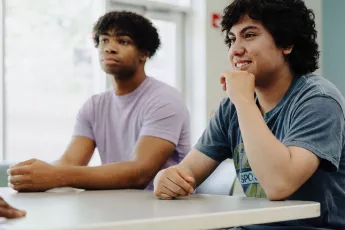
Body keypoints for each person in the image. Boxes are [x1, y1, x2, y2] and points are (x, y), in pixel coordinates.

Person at [154, 0, 345, 229]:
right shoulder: (231, 107)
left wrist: (244, 101)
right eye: (232, 39)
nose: (235, 50)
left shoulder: (318, 99)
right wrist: (165, 179)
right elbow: (186, 173)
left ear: (287, 43)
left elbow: (279, 185)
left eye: (250, 35)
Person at [7, 11, 190, 192]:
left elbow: (139, 173)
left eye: (123, 41)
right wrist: (31, 174)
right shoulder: (94, 106)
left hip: (165, 210)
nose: (109, 48)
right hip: (115, 207)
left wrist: (55, 175)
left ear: (144, 54)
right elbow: (70, 162)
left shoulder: (165, 99)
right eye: (104, 40)